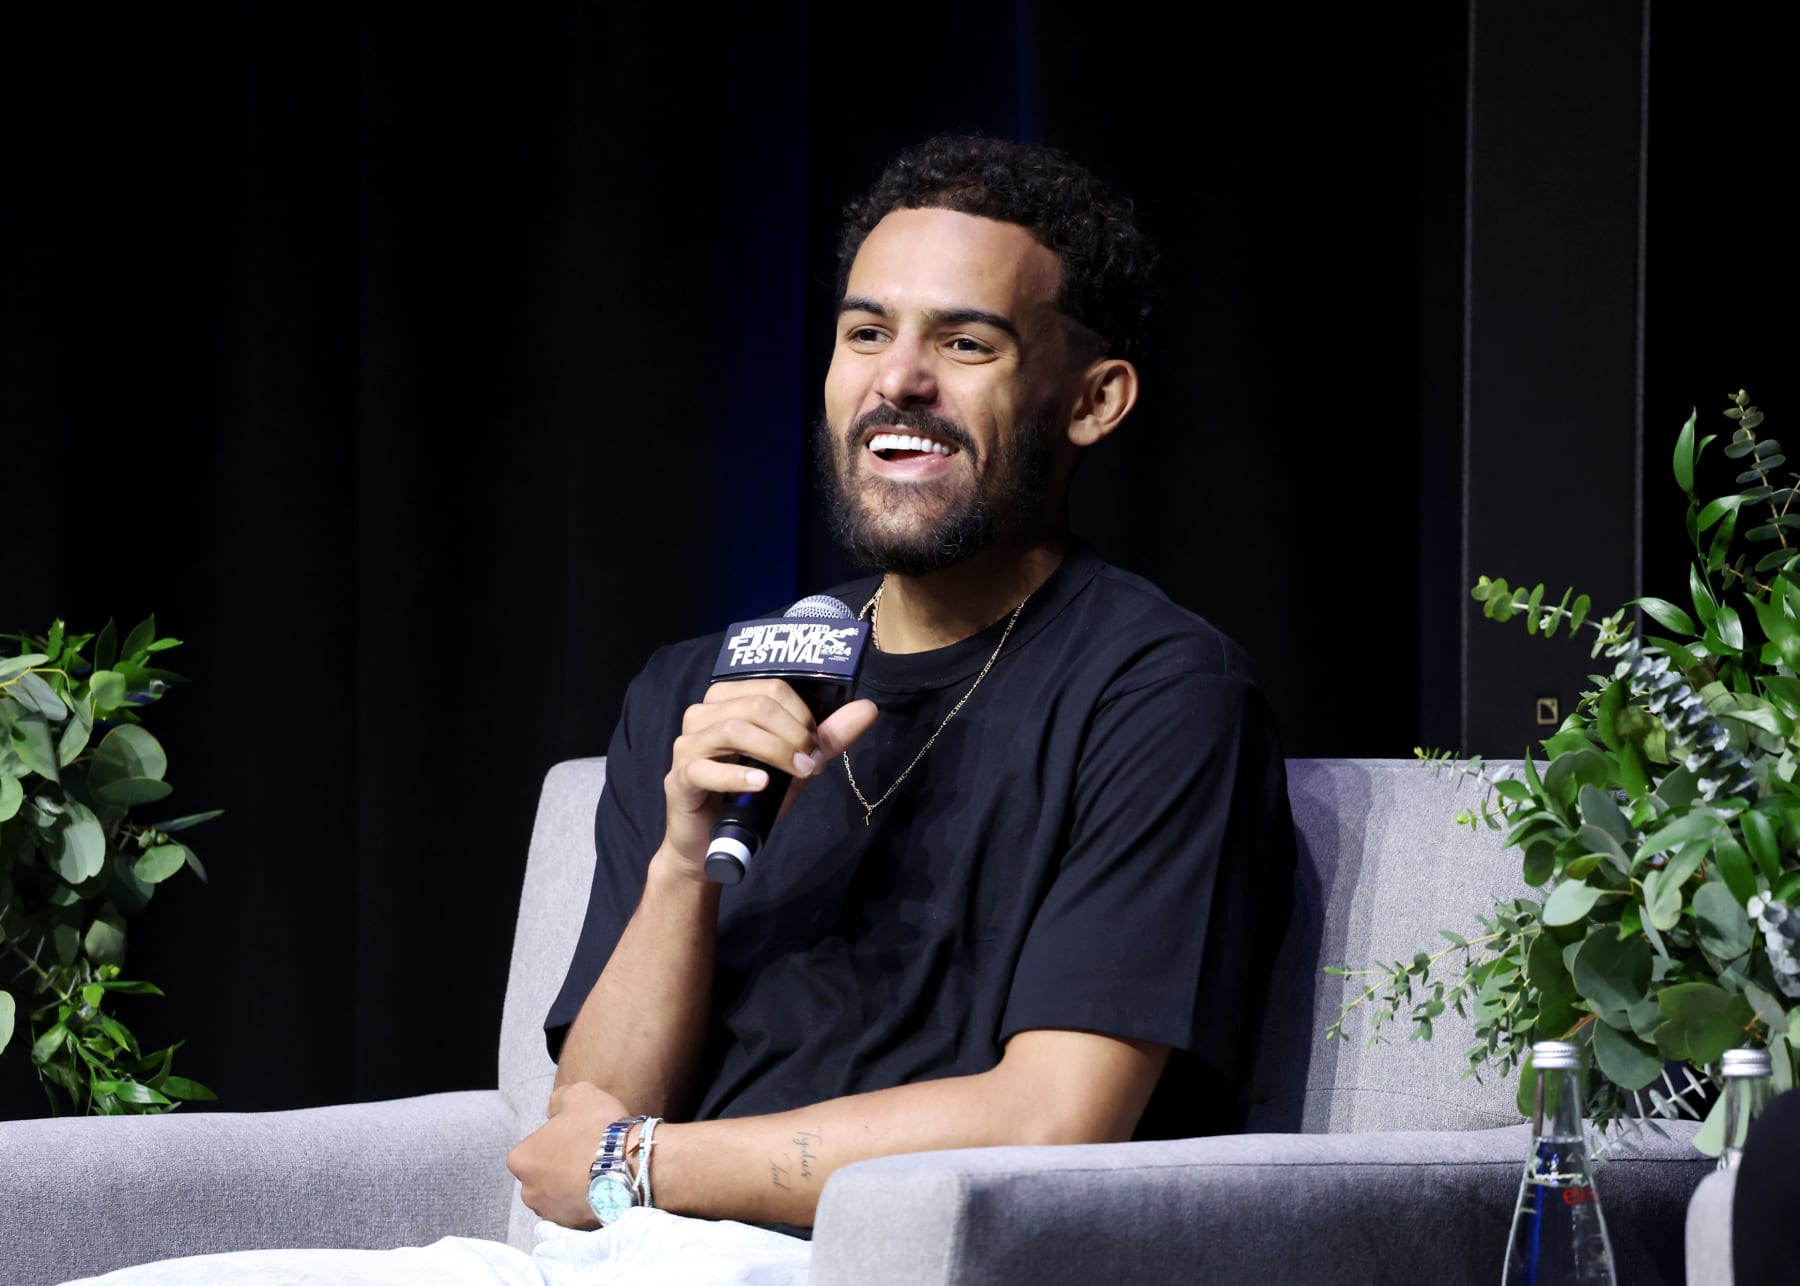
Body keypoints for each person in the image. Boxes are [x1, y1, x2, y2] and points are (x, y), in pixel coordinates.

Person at [69, 133, 1292, 1286]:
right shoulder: (712, 682)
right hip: (630, 1253)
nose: (898, 382)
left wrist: (638, 1167)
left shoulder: (1158, 690)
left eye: (965, 344)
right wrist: (680, 863)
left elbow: (1053, 1117)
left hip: (863, 1258)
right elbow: (583, 1109)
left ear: (1093, 401)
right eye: (866, 332)